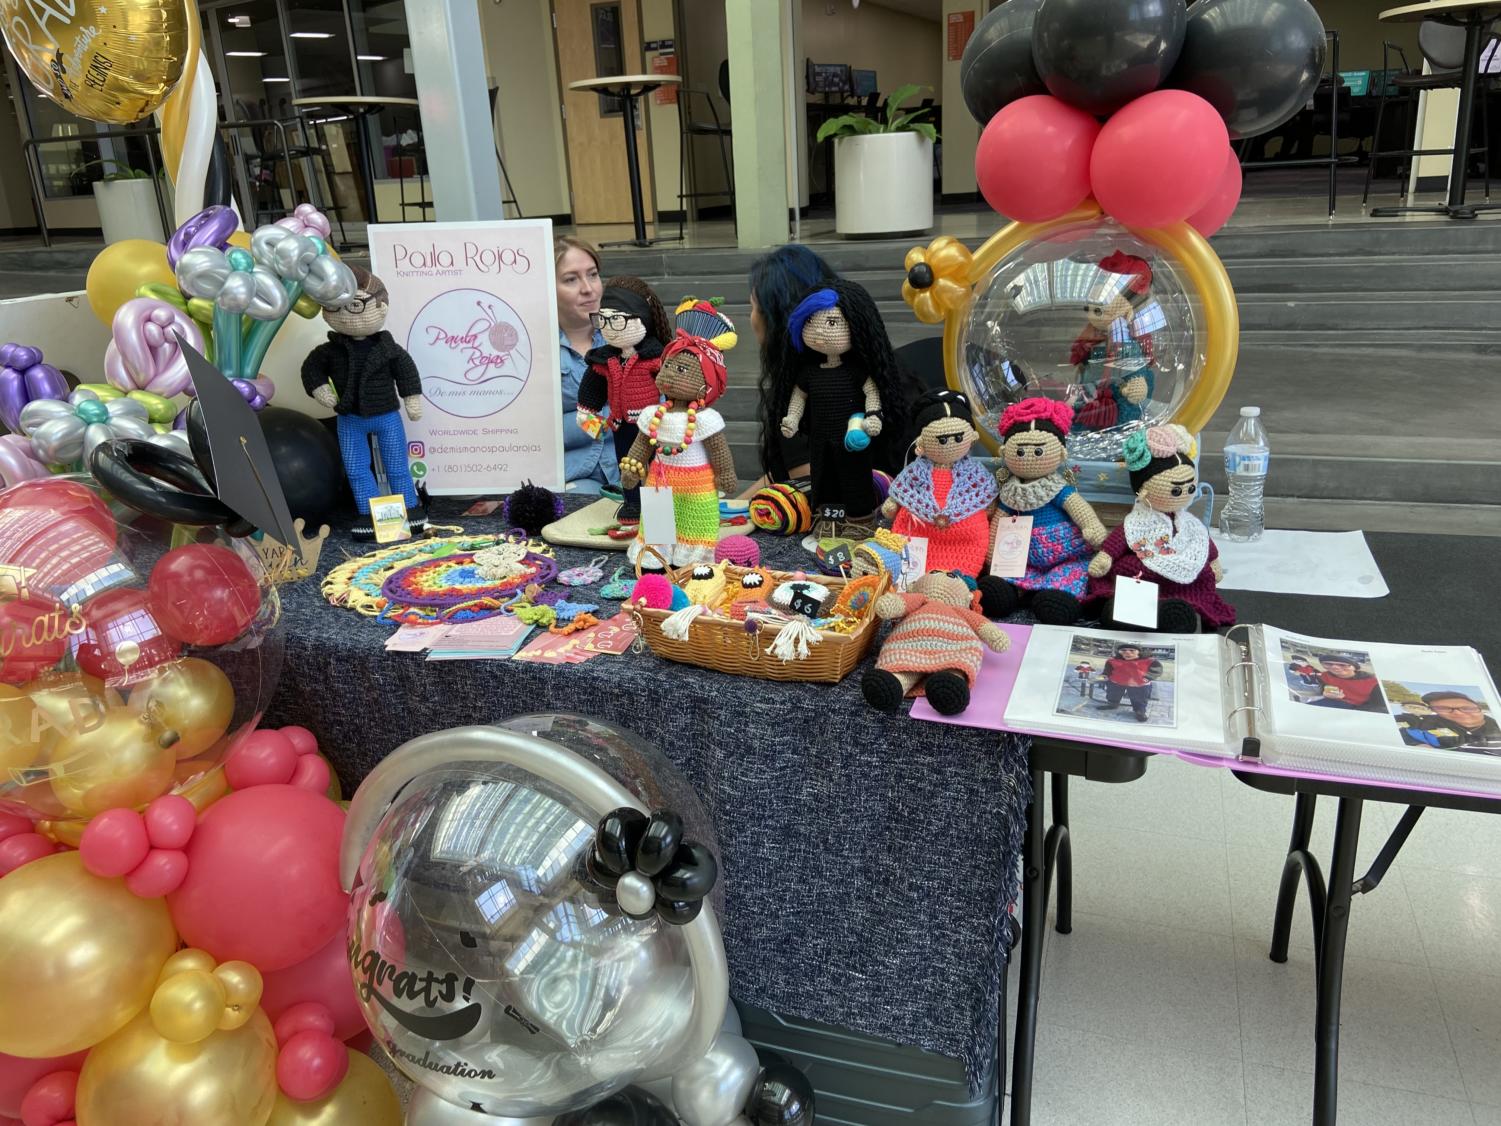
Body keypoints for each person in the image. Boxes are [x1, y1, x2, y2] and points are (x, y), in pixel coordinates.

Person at [749, 245, 835, 488]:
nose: (752, 318)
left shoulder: (803, 385)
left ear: (776, 317)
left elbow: (806, 479)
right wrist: (733, 508)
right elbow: (789, 471)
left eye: (754, 307)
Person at [554, 235, 619, 495]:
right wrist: (610, 416)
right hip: (574, 473)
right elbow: (535, 430)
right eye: (571, 279)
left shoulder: (625, 333)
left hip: (632, 466)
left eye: (592, 275)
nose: (588, 289)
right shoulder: (535, 348)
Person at [1400, 691, 1501, 753]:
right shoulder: (1426, 723)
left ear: (1479, 708)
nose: (1458, 713)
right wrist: (1416, 744)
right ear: (1434, 711)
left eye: (1466, 708)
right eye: (1444, 708)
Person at [1095, 644, 1162, 723]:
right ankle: (1112, 704)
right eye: (1123, 651)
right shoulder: (1112, 661)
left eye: (1132, 650)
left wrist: (1146, 679)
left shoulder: (1150, 661)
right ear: (1119, 652)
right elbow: (1107, 672)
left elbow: (1155, 671)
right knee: (1112, 694)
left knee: (1139, 698)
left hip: (1138, 684)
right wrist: (1101, 677)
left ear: (1138, 652)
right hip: (1116, 682)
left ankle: (1140, 711)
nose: (1127, 653)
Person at [1305, 654, 1384, 712]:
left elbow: (1379, 706)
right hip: (1332, 702)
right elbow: (1322, 689)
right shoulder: (1325, 676)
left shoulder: (1373, 681)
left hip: (1359, 708)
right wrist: (1325, 694)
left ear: (1354, 667)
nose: (1334, 667)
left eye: (1342, 665)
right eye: (1328, 664)